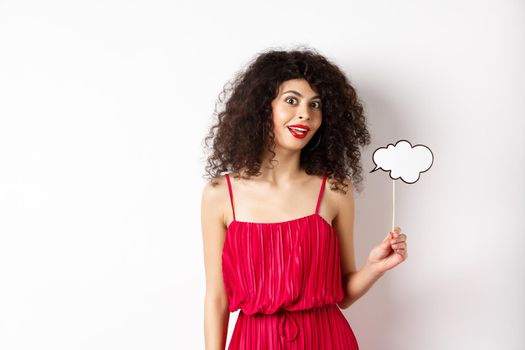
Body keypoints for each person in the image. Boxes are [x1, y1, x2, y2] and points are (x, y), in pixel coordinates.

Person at [201, 47, 408, 349]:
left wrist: (374, 267)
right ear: (263, 107)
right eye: (291, 100)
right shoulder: (220, 195)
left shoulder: (336, 190)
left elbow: (343, 294)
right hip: (256, 342)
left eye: (316, 104)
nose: (305, 114)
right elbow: (216, 298)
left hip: (326, 340)